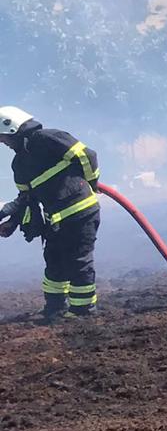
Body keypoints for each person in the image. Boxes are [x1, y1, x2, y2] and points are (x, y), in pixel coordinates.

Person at [0, 106, 101, 320]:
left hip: (80, 211)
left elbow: (86, 155)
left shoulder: (49, 138)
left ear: (12, 128)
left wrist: (91, 182)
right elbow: (26, 199)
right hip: (55, 218)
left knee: (78, 261)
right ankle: (54, 309)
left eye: (2, 137)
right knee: (54, 261)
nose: (2, 143)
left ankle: (83, 312)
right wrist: (13, 222)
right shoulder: (19, 164)